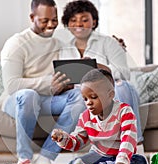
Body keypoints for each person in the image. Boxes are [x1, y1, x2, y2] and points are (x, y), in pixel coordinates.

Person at [0, 0, 86, 164]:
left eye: (54, 20)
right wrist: (48, 83)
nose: (51, 25)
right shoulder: (16, 43)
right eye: (45, 21)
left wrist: (68, 81)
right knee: (29, 95)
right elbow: (12, 85)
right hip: (17, 101)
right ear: (32, 17)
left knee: (80, 96)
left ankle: (47, 156)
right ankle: (24, 157)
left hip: (47, 99)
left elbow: (62, 79)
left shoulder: (58, 44)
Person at [59, 0, 144, 149]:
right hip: (81, 93)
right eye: (73, 21)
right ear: (67, 24)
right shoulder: (63, 49)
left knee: (123, 86)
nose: (79, 24)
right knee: (78, 98)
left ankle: (135, 144)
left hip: (109, 90)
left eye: (84, 20)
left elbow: (124, 73)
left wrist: (98, 67)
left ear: (94, 22)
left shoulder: (108, 43)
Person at [51, 69, 147, 164]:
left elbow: (128, 139)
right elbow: (76, 142)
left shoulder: (124, 111)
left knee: (140, 162)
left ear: (110, 95)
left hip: (121, 155)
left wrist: (121, 161)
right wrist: (62, 138)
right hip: (98, 155)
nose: (89, 103)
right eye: (85, 99)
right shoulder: (85, 116)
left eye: (93, 97)